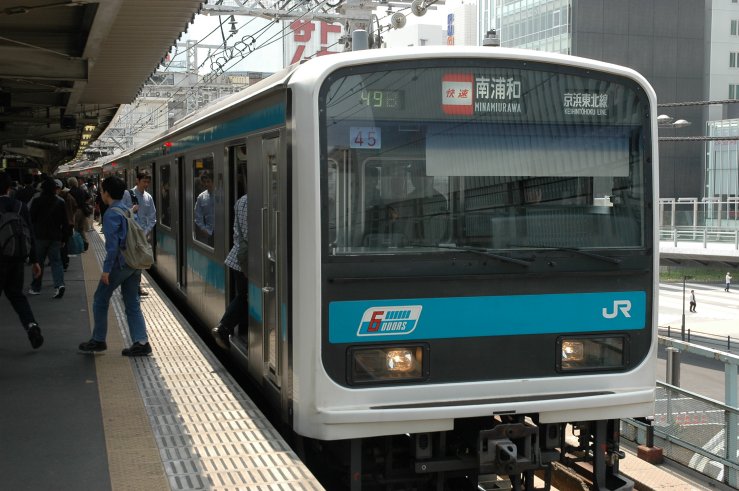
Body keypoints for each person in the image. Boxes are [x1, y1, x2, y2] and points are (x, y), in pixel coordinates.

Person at [78, 176, 152, 356]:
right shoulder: (127, 210)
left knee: (100, 299)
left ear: (107, 193)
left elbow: (113, 247)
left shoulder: (111, 214)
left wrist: (106, 271)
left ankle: (98, 340)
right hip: (134, 263)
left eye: (102, 190)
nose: (101, 193)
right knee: (132, 301)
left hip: (120, 264)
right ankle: (141, 342)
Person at [0, 172, 43, 348]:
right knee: (17, 296)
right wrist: (35, 260)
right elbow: (30, 233)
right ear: (9, 188)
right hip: (16, 259)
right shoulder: (20, 206)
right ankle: (32, 326)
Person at [212, 194, 248, 349]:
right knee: (245, 296)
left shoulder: (241, 201)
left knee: (243, 295)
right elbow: (250, 235)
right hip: (246, 260)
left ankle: (227, 328)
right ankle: (223, 328)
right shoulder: (255, 202)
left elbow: (238, 231)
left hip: (237, 256)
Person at [28, 178, 67, 298]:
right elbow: (65, 222)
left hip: (40, 236)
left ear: (43, 189)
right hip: (55, 237)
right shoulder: (60, 202)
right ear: (55, 189)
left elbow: (31, 219)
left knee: (38, 262)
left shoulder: (36, 201)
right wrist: (64, 239)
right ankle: (59, 285)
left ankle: (36, 287)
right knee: (56, 262)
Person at [122, 171, 157, 296]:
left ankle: (137, 286)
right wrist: (132, 210)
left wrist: (146, 231)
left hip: (142, 234)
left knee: (139, 261)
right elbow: (121, 213)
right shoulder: (127, 194)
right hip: (130, 233)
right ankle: (127, 287)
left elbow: (153, 217)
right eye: (144, 181)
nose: (146, 184)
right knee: (129, 260)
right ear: (137, 180)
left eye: (148, 182)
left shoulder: (148, 197)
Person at [68, 176, 91, 251]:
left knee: (75, 229)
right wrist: (84, 203)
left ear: (69, 184)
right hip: (83, 211)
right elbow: (89, 198)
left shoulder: (70, 192)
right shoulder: (82, 190)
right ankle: (85, 243)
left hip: (75, 211)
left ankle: (78, 245)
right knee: (81, 228)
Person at [194, 171, 215, 246]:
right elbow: (197, 215)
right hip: (207, 232)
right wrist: (203, 229)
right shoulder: (201, 197)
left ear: (213, 182)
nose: (206, 184)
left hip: (221, 232)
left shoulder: (221, 195)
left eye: (208, 181)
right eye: (204, 182)